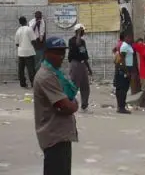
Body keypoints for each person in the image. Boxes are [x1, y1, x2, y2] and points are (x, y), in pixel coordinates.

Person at [33, 37, 79, 175]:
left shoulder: (54, 73)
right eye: (57, 52)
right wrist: (74, 104)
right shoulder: (46, 76)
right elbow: (66, 106)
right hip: (54, 136)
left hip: (60, 134)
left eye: (62, 53)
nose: (61, 57)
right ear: (46, 53)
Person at [68, 23, 92, 113]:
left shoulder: (82, 42)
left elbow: (84, 55)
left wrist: (88, 68)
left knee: (85, 86)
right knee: (74, 85)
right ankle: (70, 103)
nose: (83, 33)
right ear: (78, 31)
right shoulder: (72, 40)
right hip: (75, 64)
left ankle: (84, 106)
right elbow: (77, 44)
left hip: (82, 64)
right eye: (82, 31)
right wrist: (78, 33)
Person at [115, 33, 135, 114]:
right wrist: (126, 71)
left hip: (127, 68)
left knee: (123, 88)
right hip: (124, 69)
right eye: (129, 37)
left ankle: (120, 106)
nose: (131, 38)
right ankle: (121, 107)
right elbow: (122, 60)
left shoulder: (128, 45)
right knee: (122, 89)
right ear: (126, 37)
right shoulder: (124, 46)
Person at [15, 15, 36, 88]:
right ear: (26, 21)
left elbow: (17, 43)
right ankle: (33, 83)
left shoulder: (18, 30)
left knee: (21, 69)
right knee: (31, 69)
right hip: (29, 52)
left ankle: (22, 83)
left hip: (21, 53)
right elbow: (33, 40)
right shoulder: (29, 29)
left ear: (20, 22)